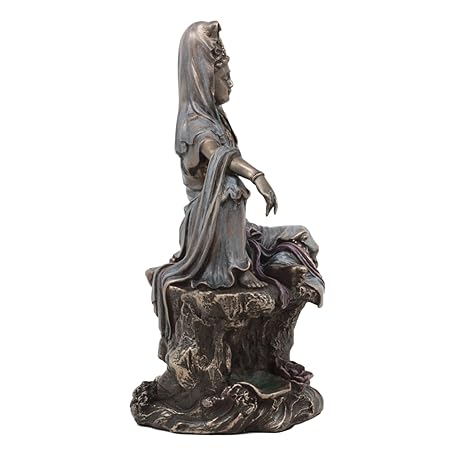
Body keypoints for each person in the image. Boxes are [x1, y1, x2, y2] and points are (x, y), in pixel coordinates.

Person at [147, 21, 324, 343]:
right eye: (224, 75)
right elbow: (217, 154)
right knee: (229, 189)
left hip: (236, 230)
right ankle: (234, 269)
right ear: (205, 77)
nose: (231, 82)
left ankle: (268, 271)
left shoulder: (216, 117)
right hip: (209, 230)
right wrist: (257, 176)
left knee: (298, 237)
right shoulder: (194, 123)